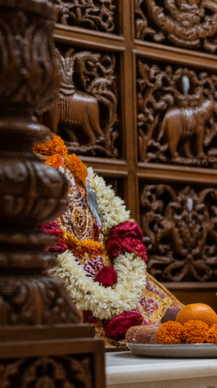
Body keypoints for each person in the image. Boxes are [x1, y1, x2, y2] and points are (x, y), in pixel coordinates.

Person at [34, 135, 179, 345]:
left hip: (109, 273)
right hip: (60, 275)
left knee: (167, 325)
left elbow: (120, 228)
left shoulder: (79, 173)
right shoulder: (26, 176)